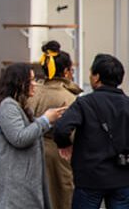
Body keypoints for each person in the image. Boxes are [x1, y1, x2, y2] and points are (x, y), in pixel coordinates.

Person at [0, 63, 66, 209]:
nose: (35, 84)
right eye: (30, 80)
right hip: (12, 189)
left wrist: (50, 120)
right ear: (18, 83)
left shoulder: (16, 105)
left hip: (16, 187)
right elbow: (19, 138)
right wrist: (45, 120)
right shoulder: (7, 106)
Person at [54, 54, 129, 209]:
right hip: (123, 177)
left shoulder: (84, 103)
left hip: (90, 177)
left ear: (97, 77)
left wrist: (65, 144)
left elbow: (62, 128)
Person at [26, 41, 82, 209]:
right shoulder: (69, 97)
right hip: (60, 156)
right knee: (62, 199)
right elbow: (74, 134)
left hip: (31, 152)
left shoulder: (33, 93)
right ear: (65, 71)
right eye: (71, 70)